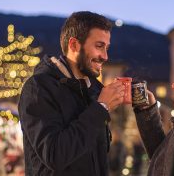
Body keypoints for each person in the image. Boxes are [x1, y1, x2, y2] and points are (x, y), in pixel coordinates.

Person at [18, 11, 126, 176]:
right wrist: (101, 107)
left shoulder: (95, 90)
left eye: (107, 47)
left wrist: (146, 109)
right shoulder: (38, 88)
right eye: (99, 46)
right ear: (74, 45)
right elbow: (54, 155)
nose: (105, 56)